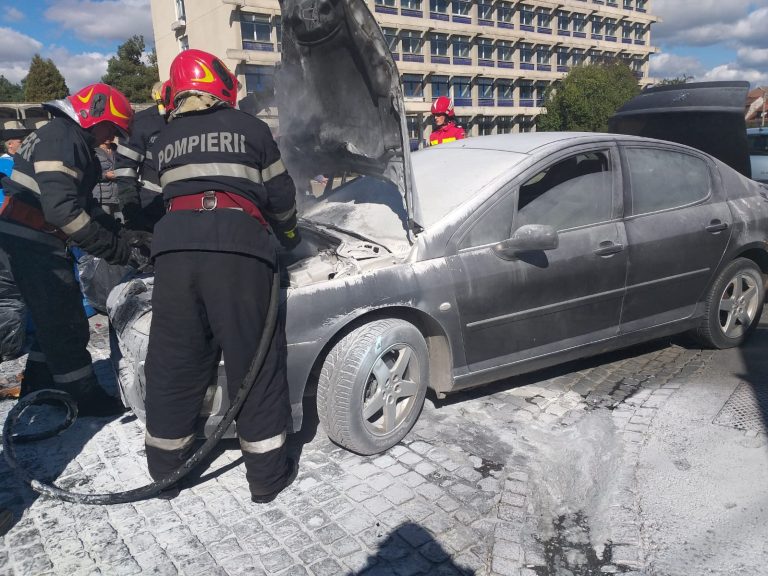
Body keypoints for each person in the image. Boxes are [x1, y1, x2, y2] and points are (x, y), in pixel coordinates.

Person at [144, 49, 301, 503]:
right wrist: (288, 234)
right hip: (238, 249)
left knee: (174, 359)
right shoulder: (251, 128)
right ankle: (267, 477)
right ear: (223, 87)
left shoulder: (163, 137)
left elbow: (152, 200)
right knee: (253, 360)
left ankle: (166, 471)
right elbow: (280, 195)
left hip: (173, 252)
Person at [0, 82, 151, 416]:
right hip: (31, 241)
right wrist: (117, 251)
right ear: (94, 116)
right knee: (66, 321)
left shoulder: (63, 136)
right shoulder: (63, 139)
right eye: (111, 128)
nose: (109, 137)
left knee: (49, 319)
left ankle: (41, 384)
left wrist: (125, 235)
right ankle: (82, 396)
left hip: (27, 238)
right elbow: (63, 212)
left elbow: (86, 207)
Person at [113, 80, 169, 231]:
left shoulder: (191, 121)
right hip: (153, 210)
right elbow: (124, 171)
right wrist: (133, 216)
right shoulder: (143, 123)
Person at [92, 138, 120, 216]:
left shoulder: (118, 150)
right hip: (102, 198)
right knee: (106, 224)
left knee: (122, 225)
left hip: (118, 195)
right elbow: (90, 174)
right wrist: (105, 176)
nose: (108, 137)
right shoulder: (93, 151)